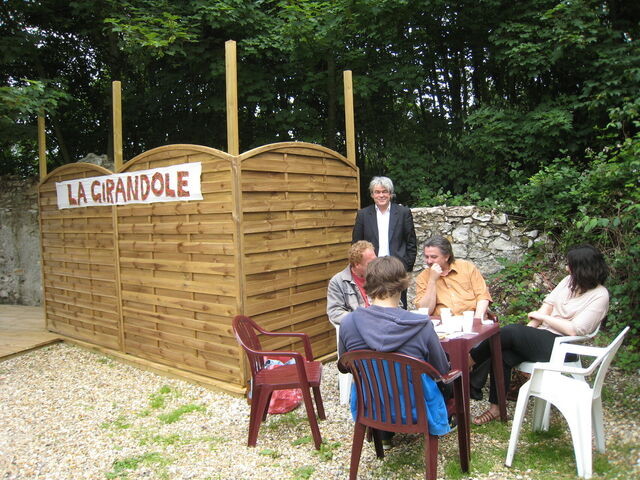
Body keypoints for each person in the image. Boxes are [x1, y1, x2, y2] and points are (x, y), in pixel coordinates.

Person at [469, 244, 610, 425]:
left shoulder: (600, 295)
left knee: (510, 330)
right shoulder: (568, 281)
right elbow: (547, 306)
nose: (567, 268)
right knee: (502, 354)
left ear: (583, 269)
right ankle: (496, 408)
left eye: (570, 265)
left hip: (565, 345)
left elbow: (575, 329)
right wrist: (527, 331)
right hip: (543, 338)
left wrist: (542, 318)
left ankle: (468, 361)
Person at [338, 256, 452, 444]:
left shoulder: (348, 323)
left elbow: (345, 367)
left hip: (371, 406)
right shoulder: (421, 325)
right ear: (403, 285)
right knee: (448, 383)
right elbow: (441, 370)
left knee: (380, 378)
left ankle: (384, 433)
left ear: (368, 284)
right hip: (416, 409)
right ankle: (445, 423)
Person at [352, 176, 417, 308]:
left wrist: (405, 267)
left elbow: (411, 243)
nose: (381, 195)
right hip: (372, 270)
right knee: (373, 307)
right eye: (377, 192)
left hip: (396, 269)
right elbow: (356, 244)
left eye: (384, 191)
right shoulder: (363, 215)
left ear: (390, 194)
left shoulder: (403, 213)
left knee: (399, 307)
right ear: (372, 194)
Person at [414, 235, 492, 319]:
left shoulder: (466, 267)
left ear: (446, 256)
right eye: (426, 257)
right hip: (442, 323)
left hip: (471, 319)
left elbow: (482, 296)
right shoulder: (423, 277)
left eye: (434, 257)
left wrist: (477, 320)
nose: (429, 261)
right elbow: (425, 311)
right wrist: (432, 280)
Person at [326, 241, 376, 326]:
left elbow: (395, 303)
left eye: (376, 260)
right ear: (357, 264)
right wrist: (360, 318)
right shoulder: (338, 282)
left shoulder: (380, 275)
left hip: (380, 325)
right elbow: (334, 312)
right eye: (370, 263)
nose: (375, 265)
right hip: (356, 327)